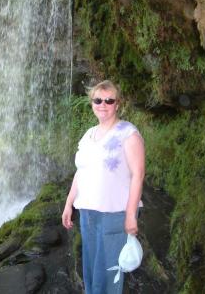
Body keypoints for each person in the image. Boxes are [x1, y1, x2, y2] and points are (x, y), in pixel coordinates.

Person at [62, 80, 145, 294]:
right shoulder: (88, 135)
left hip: (115, 213)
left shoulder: (128, 133)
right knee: (91, 266)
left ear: (117, 104)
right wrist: (69, 203)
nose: (103, 104)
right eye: (98, 100)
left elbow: (138, 175)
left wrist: (130, 215)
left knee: (108, 271)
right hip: (88, 212)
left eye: (109, 100)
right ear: (92, 103)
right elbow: (81, 171)